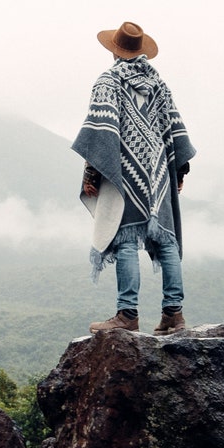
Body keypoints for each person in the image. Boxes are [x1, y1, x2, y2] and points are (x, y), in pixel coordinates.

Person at [71, 21, 196, 335]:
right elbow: (175, 130)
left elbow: (101, 131)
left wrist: (91, 174)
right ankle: (173, 316)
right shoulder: (158, 84)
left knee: (126, 238)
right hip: (157, 172)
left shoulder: (108, 81)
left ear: (115, 50)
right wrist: (178, 171)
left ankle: (127, 316)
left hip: (125, 171)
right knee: (165, 241)